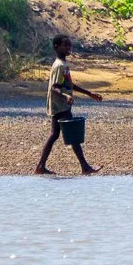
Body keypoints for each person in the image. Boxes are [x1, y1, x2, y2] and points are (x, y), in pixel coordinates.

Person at [36, 34, 103, 176]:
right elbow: (54, 87)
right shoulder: (59, 65)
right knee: (70, 135)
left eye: (69, 45)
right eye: (65, 45)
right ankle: (84, 167)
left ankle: (41, 166)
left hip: (62, 104)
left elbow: (69, 84)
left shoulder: (64, 65)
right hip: (59, 105)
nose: (68, 48)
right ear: (56, 47)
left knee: (55, 134)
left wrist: (89, 93)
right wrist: (66, 95)